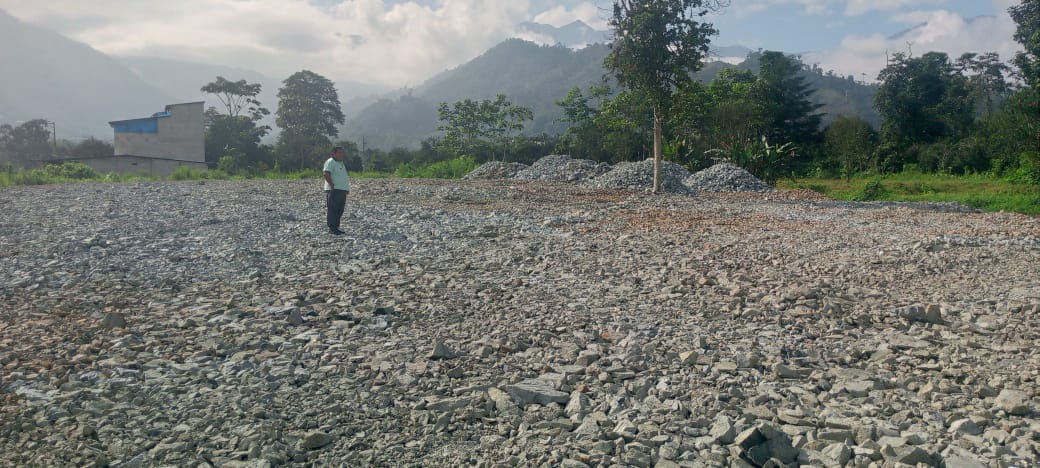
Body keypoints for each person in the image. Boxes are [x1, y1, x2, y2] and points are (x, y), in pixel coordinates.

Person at [322, 146, 350, 235]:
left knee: (340, 209)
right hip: (334, 190)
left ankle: (336, 227)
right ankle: (332, 228)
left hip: (342, 190)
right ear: (333, 154)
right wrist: (331, 185)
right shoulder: (330, 161)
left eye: (342, 152)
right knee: (333, 209)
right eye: (339, 153)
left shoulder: (341, 163)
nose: (341, 154)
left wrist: (346, 189)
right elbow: (326, 173)